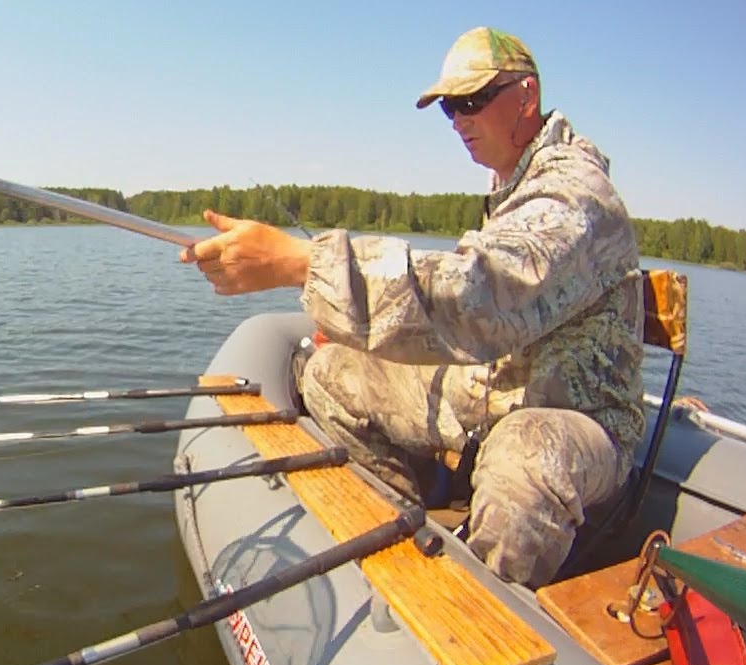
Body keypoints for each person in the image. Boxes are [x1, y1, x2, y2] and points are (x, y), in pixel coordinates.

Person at [180, 26, 646, 588]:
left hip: (581, 423)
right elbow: (460, 320)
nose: (460, 121)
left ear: (527, 95)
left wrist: (302, 264)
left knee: (525, 459)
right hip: (493, 395)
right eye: (450, 107)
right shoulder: (512, 191)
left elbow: (480, 295)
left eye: (472, 100)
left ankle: (484, 611)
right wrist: (354, 331)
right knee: (330, 374)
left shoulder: (576, 194)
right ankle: (399, 546)